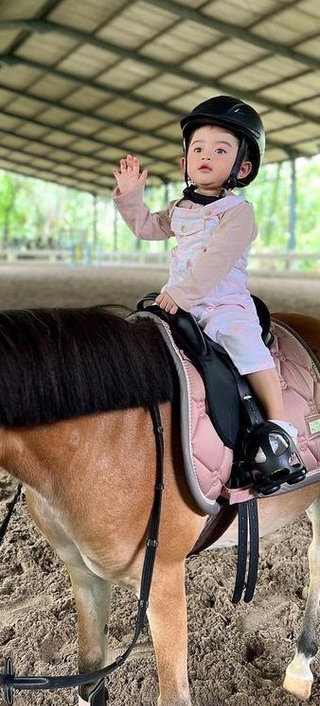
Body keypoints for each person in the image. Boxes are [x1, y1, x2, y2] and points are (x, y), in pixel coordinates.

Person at [112, 95, 304, 487]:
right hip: (179, 301)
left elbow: (216, 260)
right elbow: (147, 228)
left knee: (244, 344)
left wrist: (181, 293)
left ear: (242, 167)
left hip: (221, 304)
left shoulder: (237, 212)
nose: (206, 155)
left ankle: (280, 428)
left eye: (221, 150)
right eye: (198, 148)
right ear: (184, 162)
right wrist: (131, 196)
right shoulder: (181, 206)